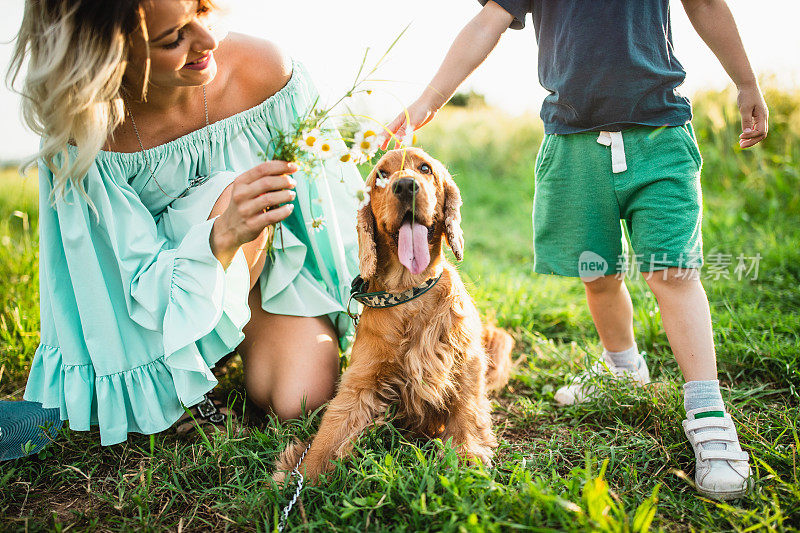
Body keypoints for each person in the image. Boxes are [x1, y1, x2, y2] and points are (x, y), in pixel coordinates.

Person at [384, 0, 768, 500]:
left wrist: (746, 82)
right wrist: (430, 99)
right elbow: (488, 21)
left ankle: (709, 413)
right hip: (572, 143)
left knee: (671, 272)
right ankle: (623, 367)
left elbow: (705, 4)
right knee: (598, 273)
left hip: (661, 133)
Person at [8, 0, 362, 446]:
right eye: (174, 37)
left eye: (204, 9)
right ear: (109, 55)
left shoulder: (266, 71)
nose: (209, 40)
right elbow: (119, 279)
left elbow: (324, 213)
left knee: (300, 400)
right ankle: (193, 370)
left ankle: (238, 337)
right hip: (152, 307)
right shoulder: (84, 132)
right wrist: (222, 234)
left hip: (268, 269)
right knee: (234, 192)